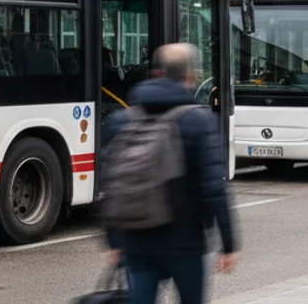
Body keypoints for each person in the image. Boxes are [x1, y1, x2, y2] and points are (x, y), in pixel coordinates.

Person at [100, 43, 237, 304]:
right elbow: (214, 189)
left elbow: (109, 185)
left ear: (156, 73)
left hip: (136, 239)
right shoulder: (199, 120)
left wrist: (113, 241)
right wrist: (228, 245)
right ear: (190, 76)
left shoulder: (122, 120)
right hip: (185, 242)